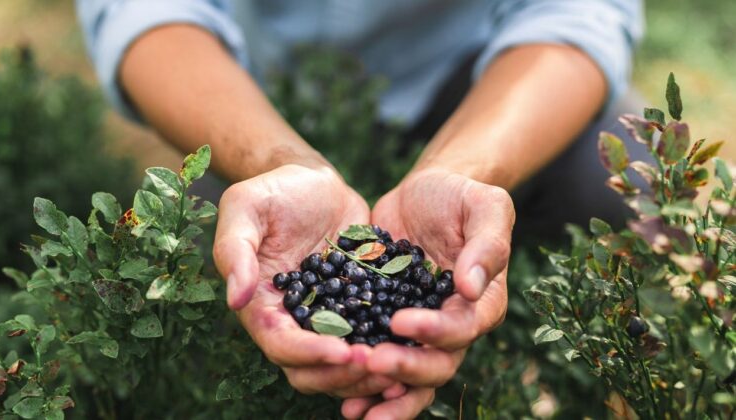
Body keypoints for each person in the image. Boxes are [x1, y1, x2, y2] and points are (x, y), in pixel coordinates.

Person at [77, 1, 644, 418]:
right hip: (255, 102)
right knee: (208, 270)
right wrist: (276, 163)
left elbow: (575, 14)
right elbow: (143, 13)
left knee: (624, 167)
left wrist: (462, 171)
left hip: (478, 88)